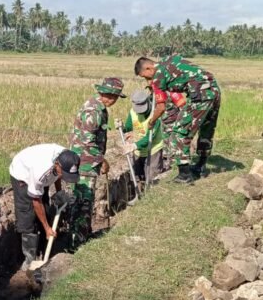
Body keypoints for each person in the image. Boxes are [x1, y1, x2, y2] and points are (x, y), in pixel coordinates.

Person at [135, 55, 221, 184]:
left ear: (148, 68)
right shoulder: (168, 60)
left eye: (146, 76)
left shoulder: (158, 76)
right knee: (206, 129)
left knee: (179, 133)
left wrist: (152, 121)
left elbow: (161, 107)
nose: (148, 80)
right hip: (214, 89)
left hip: (200, 94)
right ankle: (201, 166)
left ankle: (184, 174)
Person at [68, 77, 126, 242]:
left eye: (115, 97)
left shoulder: (98, 107)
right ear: (104, 94)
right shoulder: (94, 111)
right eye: (112, 96)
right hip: (85, 162)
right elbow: (88, 140)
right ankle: (78, 240)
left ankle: (80, 234)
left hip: (88, 160)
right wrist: (102, 160)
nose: (113, 100)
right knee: (83, 200)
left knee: (82, 199)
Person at [9, 144, 80, 269]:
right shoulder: (40, 171)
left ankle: (44, 252)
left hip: (43, 174)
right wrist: (47, 228)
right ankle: (29, 260)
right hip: (23, 174)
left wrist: (59, 193)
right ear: (57, 164)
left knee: (46, 210)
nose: (64, 176)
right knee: (26, 215)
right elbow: (36, 200)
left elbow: (57, 175)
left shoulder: (67, 158)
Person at [122, 89, 163, 186]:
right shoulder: (133, 112)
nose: (140, 113)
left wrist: (134, 146)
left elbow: (149, 138)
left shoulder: (155, 116)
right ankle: (140, 195)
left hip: (153, 150)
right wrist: (122, 127)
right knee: (137, 177)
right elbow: (128, 126)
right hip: (138, 151)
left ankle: (151, 196)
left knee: (152, 178)